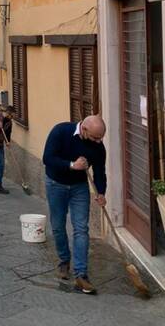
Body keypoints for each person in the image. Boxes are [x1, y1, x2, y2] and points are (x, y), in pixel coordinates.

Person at [42, 115, 107, 295]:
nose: (98, 141)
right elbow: (47, 158)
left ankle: (81, 274)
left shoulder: (98, 147)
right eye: (95, 137)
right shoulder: (61, 131)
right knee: (58, 226)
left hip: (79, 188)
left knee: (81, 228)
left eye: (101, 138)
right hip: (55, 184)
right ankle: (64, 260)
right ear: (84, 129)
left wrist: (101, 192)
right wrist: (72, 165)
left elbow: (100, 171)